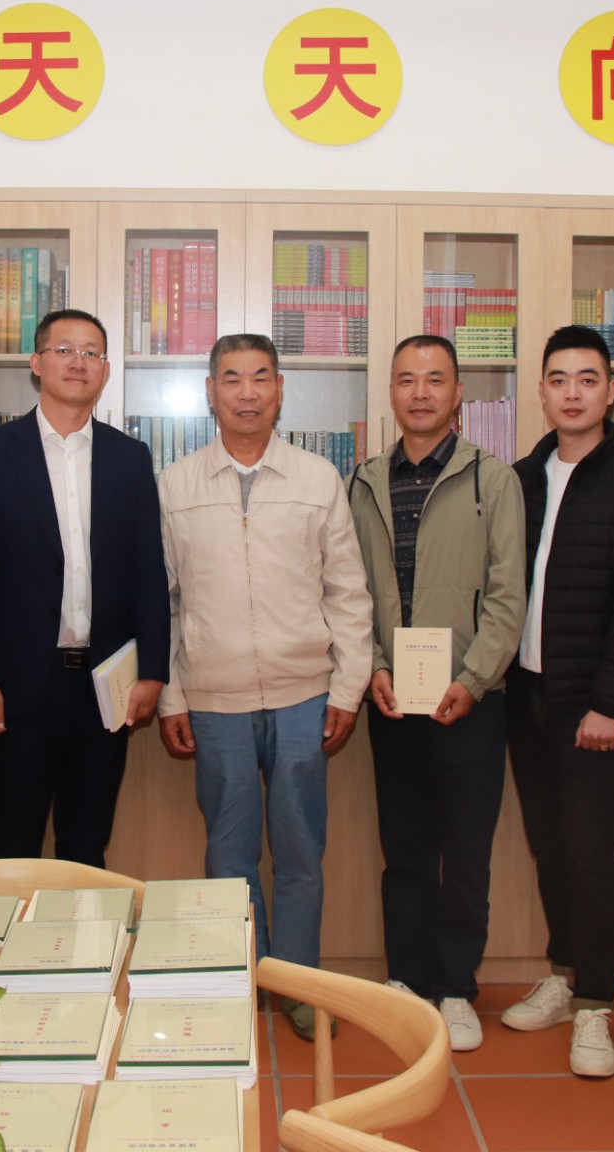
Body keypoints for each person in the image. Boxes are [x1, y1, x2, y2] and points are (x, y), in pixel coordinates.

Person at [156, 334, 373, 1042]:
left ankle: (299, 986)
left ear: (280, 390)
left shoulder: (318, 478)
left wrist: (347, 689)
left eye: (260, 378)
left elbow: (348, 593)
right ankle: (242, 979)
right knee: (229, 855)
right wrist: (171, 695)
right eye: (231, 378)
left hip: (305, 693)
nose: (246, 392)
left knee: (302, 850)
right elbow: (163, 603)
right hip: (213, 696)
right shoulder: (176, 485)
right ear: (209, 392)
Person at [500, 324, 614, 1080]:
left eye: (588, 379)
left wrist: (611, 705)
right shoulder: (520, 479)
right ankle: (565, 975)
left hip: (591, 707)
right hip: (525, 695)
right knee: (549, 845)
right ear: (541, 391)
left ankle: (596, 1003)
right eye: (559, 380)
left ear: (611, 392)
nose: (573, 393)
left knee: (593, 854)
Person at [347, 334, 526, 1053]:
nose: (420, 392)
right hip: (392, 696)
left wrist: (473, 678)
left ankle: (456, 987)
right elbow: (351, 591)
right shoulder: (364, 481)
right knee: (405, 847)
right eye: (406, 380)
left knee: (466, 851)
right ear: (391, 392)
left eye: (434, 379)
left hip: (468, 700)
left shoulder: (494, 480)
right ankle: (408, 977)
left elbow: (508, 596)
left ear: (458, 395)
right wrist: (372, 667)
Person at [0, 309, 171, 867]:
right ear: (36, 363)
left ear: (105, 371)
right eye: (65, 350)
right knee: (16, 841)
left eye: (91, 353)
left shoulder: (129, 458)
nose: (78, 362)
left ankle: (84, 930)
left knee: (86, 842)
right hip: (21, 684)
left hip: (105, 683)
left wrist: (153, 670)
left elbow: (148, 570)